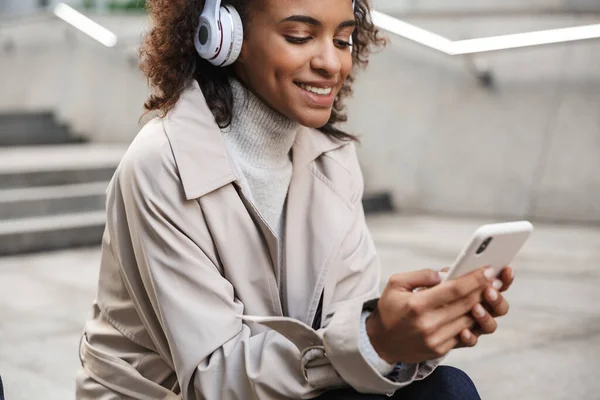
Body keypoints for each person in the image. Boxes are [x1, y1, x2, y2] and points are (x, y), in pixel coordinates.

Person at [75, 0, 514, 398]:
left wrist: (405, 336)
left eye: (343, 40)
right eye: (300, 36)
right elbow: (215, 377)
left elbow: (341, 331)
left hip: (280, 385)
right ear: (224, 35)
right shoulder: (161, 164)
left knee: (446, 389)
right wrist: (372, 340)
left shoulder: (334, 160)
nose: (331, 62)